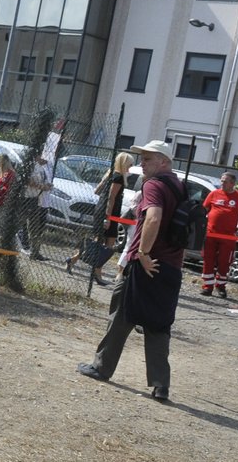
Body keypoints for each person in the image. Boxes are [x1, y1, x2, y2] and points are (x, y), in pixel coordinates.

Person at [76, 140, 184, 402]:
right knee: (158, 324)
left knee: (121, 315)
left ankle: (102, 367)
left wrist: (144, 253)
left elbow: (154, 217)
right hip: (171, 266)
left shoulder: (154, 185)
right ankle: (160, 385)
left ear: (164, 162)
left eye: (148, 158)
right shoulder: (179, 186)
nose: (142, 163)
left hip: (145, 264)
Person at [67, 152, 132, 286]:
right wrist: (108, 218)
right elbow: (111, 198)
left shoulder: (110, 174)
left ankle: (73, 260)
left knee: (98, 242)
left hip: (100, 210)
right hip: (109, 213)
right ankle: (97, 272)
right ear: (123, 163)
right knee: (107, 245)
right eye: (129, 164)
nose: (130, 168)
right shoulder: (118, 177)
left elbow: (97, 191)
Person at [199, 172, 238, 299]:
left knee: (224, 262)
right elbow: (204, 210)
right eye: (221, 180)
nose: (222, 183)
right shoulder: (214, 194)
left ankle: (221, 286)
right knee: (208, 260)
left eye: (225, 181)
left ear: (232, 183)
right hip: (211, 234)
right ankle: (207, 287)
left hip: (228, 237)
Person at [17, 153, 54, 259]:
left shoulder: (41, 168)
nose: (45, 160)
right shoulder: (29, 166)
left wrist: (47, 186)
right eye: (43, 157)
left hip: (34, 199)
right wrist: (41, 186)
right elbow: (28, 181)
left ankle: (35, 252)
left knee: (34, 226)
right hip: (25, 197)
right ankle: (12, 243)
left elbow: (43, 181)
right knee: (20, 222)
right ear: (37, 156)